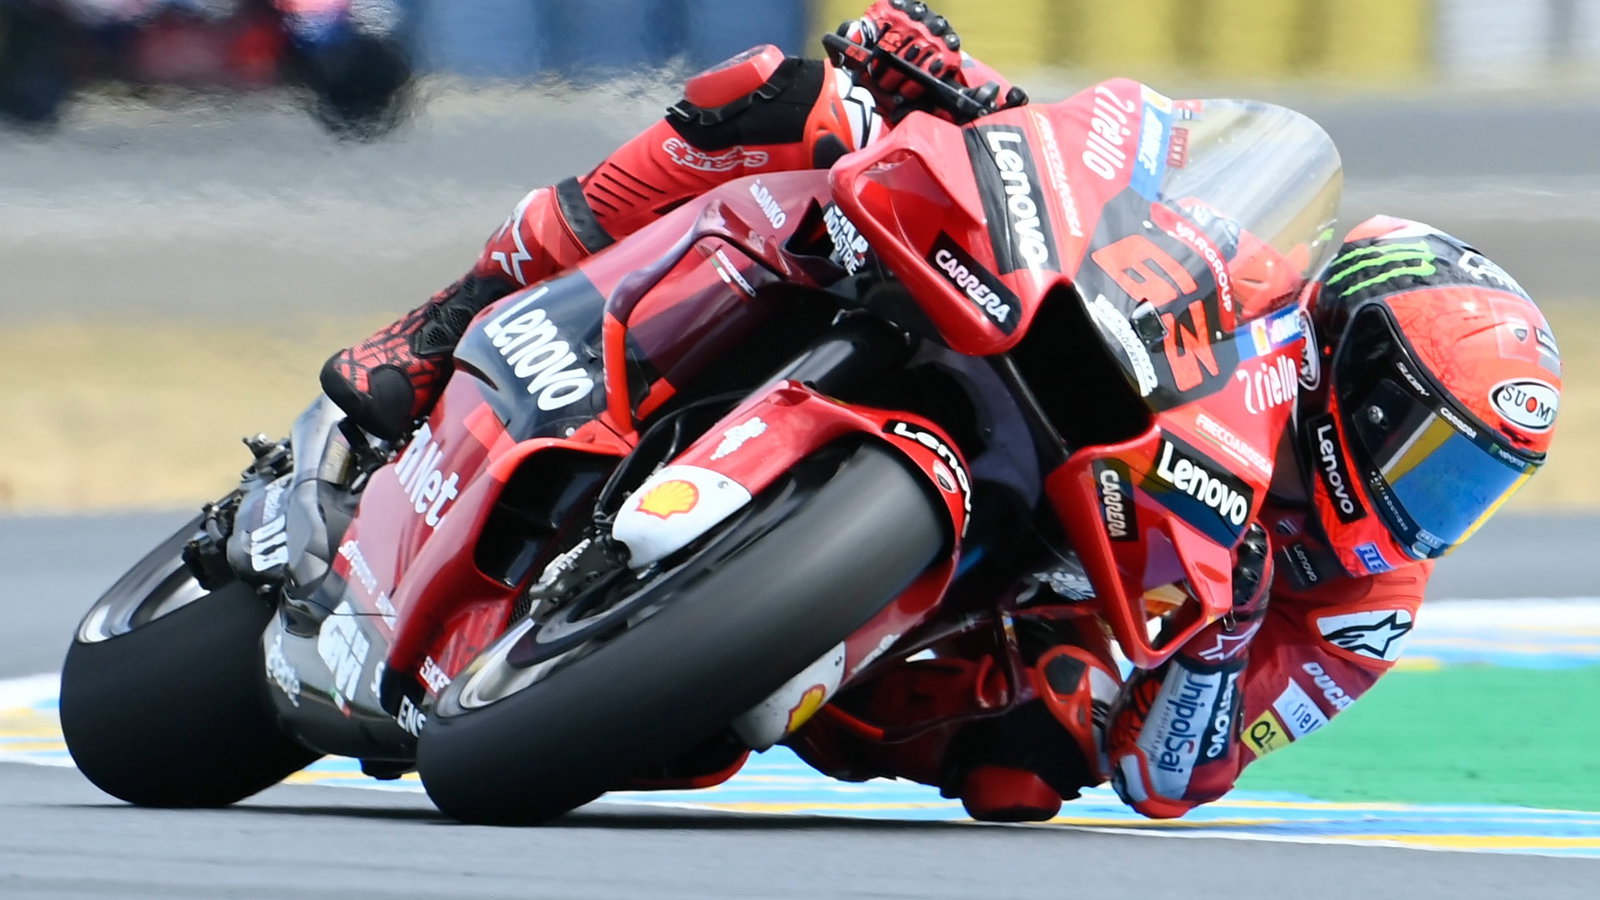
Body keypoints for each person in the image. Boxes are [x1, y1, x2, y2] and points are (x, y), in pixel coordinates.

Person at [319, 2, 1563, 820]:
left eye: (1470, 482)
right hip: (1021, 359)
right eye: (1429, 447)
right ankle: (437, 331)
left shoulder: (1359, 610)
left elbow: (1170, 775)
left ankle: (734, 664)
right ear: (1346, 358)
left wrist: (1220, 636)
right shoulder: (1257, 291)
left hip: (1043, 578)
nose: (1425, 499)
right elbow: (1117, 171)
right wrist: (964, 91)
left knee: (1034, 766)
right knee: (783, 99)